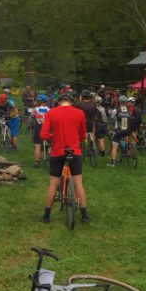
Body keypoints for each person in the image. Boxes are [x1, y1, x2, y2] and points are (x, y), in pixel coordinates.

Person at [37, 92, 89, 224]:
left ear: (59, 102)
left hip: (57, 152)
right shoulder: (79, 113)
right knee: (78, 183)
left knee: (53, 184)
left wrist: (53, 136)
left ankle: (46, 216)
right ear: (71, 102)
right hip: (74, 151)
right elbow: (83, 134)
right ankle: (84, 216)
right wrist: (78, 139)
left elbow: (43, 135)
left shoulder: (51, 113)